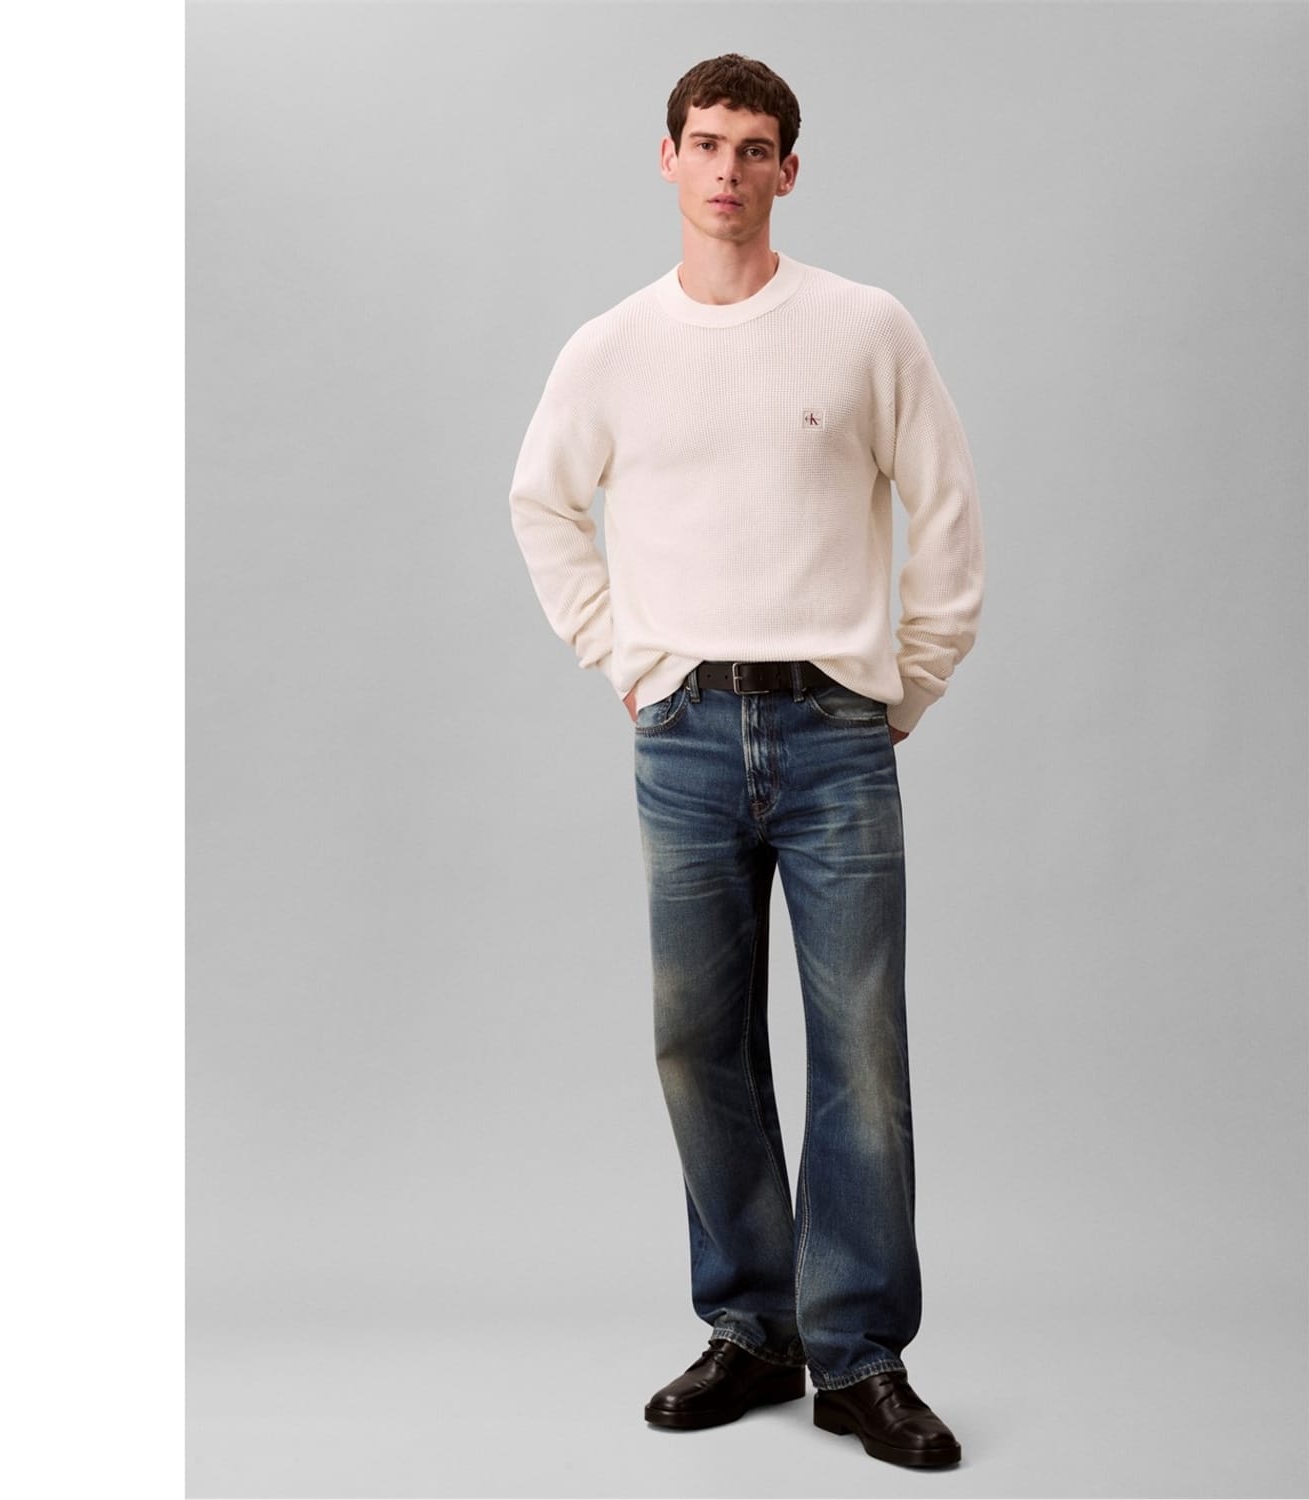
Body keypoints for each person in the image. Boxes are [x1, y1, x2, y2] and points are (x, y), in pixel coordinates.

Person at [508, 52, 983, 1470]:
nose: (728, 169)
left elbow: (947, 510)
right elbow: (542, 504)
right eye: (706, 143)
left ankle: (861, 1357)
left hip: (836, 732)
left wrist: (905, 684)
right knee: (698, 1043)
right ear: (668, 159)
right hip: (687, 736)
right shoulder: (612, 348)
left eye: (754, 147)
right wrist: (623, 657)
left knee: (862, 1054)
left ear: (789, 169)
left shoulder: (863, 329)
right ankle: (753, 1328)